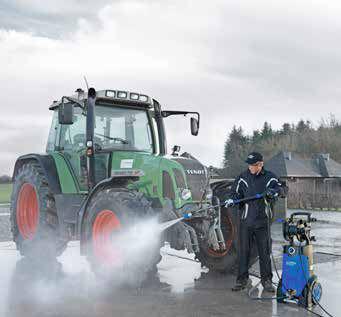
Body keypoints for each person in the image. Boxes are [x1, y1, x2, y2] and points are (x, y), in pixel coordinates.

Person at [225, 152, 285, 293]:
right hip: (246, 222)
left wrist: (273, 192)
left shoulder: (270, 177)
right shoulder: (242, 177)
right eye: (249, 164)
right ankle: (241, 281)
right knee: (243, 252)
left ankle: (267, 281)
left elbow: (282, 189)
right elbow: (235, 193)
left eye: (253, 165)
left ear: (260, 164)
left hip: (263, 222)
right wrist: (231, 199)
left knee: (264, 253)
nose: (250, 167)